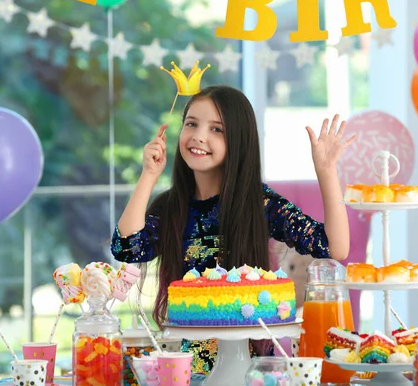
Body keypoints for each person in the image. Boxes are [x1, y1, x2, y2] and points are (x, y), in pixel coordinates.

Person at [111, 85, 355, 374]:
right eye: (192, 124)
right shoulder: (170, 207)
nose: (199, 136)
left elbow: (334, 247)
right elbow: (127, 247)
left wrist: (326, 170)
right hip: (182, 365)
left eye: (217, 129)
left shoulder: (258, 203)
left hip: (243, 367)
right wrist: (149, 175)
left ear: (238, 141)